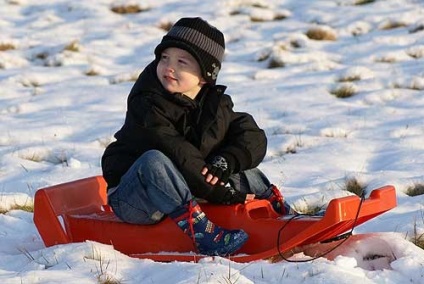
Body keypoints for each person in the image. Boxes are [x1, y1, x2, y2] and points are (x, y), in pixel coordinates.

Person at [101, 17, 291, 257]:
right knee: (154, 160)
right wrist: (219, 193)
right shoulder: (147, 103)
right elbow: (176, 151)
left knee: (238, 163)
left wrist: (225, 162)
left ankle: (280, 213)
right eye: (164, 58)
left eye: (182, 62)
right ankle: (202, 233)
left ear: (204, 75)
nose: (169, 67)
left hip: (185, 185)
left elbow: (250, 134)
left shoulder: (214, 105)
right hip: (136, 198)